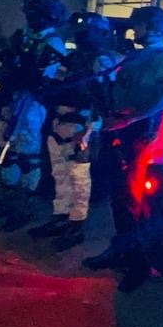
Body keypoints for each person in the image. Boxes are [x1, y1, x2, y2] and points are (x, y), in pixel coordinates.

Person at [82, 5, 163, 293]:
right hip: (121, 132)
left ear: (152, 28)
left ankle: (139, 263)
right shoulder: (137, 56)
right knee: (118, 196)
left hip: (138, 135)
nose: (133, 30)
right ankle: (120, 249)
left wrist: (130, 119)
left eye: (138, 25)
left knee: (133, 200)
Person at [0, 0, 69, 232]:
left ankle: (25, 207)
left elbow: (43, 81)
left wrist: (19, 68)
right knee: (7, 152)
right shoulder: (27, 37)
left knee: (28, 155)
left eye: (35, 13)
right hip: (13, 99)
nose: (29, 17)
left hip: (32, 104)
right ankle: (9, 199)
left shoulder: (52, 43)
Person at [29, 14, 120, 252]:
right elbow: (57, 84)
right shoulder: (73, 58)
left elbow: (104, 99)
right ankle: (61, 215)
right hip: (60, 121)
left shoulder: (102, 60)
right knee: (60, 174)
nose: (81, 36)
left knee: (79, 178)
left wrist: (89, 130)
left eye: (86, 31)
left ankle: (76, 224)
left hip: (82, 125)